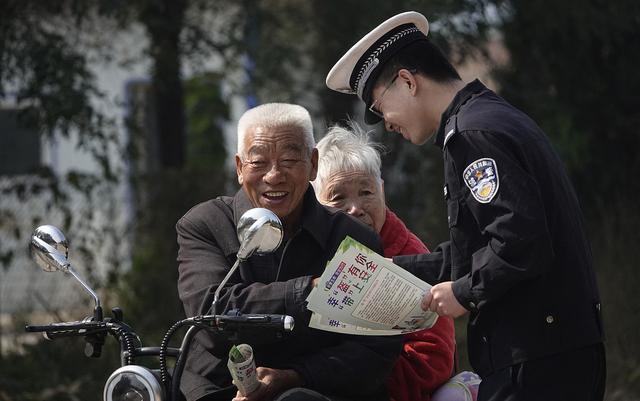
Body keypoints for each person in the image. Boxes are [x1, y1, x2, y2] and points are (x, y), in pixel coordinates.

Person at [325, 11, 605, 401]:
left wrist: (464, 292)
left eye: (378, 107)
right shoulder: (491, 119)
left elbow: (520, 242)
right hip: (553, 351)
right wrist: (382, 271)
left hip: (535, 359)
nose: (386, 123)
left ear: (407, 81)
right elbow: (474, 252)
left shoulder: (472, 135)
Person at [176, 102, 401, 401]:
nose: (274, 175)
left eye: (290, 159)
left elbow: (375, 351)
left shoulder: (353, 238)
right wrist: (312, 290)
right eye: (258, 163)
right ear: (240, 168)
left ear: (313, 164)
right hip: (219, 389)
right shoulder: (205, 225)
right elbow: (211, 316)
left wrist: (296, 376)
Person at [312, 122, 464, 401]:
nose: (355, 208)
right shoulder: (305, 253)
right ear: (314, 204)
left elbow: (433, 358)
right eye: (338, 198)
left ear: (382, 190)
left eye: (366, 193)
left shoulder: (412, 255)